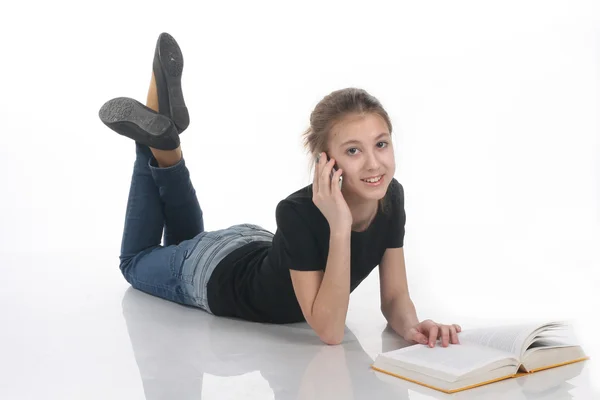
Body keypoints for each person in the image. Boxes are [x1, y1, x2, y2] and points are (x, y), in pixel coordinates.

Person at [99, 32, 462, 346]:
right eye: (353, 150)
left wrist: (415, 327)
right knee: (136, 261)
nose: (373, 164)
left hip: (247, 246)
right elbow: (330, 331)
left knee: (185, 241)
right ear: (325, 160)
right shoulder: (299, 212)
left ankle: (163, 138)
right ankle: (152, 141)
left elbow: (395, 296)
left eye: (381, 144)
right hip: (211, 275)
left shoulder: (390, 196)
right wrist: (339, 226)